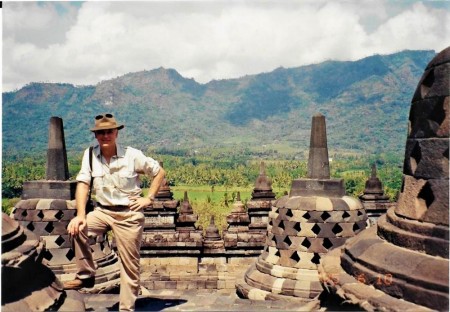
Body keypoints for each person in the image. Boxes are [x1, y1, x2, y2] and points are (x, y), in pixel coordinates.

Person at [64, 113, 165, 311]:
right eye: (101, 132)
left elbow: (158, 172)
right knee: (77, 229)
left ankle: (126, 308)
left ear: (116, 132)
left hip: (128, 214)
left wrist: (149, 198)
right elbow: (83, 184)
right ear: (96, 135)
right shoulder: (90, 154)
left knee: (129, 264)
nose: (105, 136)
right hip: (102, 211)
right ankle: (86, 275)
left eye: (109, 131)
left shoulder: (132, 155)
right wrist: (81, 215)